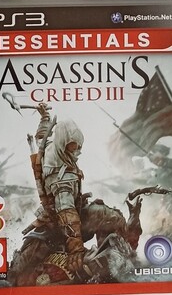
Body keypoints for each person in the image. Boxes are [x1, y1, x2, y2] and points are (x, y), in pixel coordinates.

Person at [9, 105, 142, 285]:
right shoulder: (62, 178)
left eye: (79, 146)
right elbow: (67, 215)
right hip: (59, 222)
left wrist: (44, 117)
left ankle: (122, 254)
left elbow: (43, 138)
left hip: (72, 211)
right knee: (23, 268)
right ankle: (102, 265)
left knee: (111, 217)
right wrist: (76, 250)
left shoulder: (52, 150)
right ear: (63, 144)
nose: (77, 151)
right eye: (73, 147)